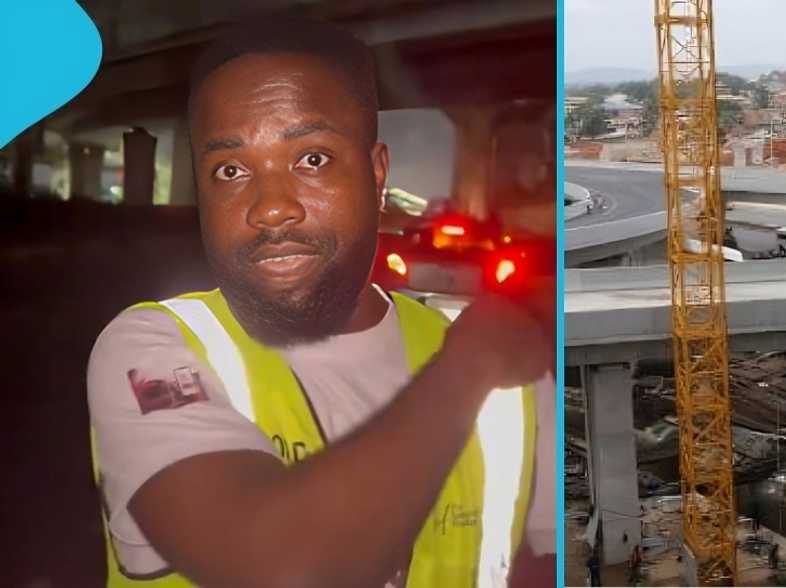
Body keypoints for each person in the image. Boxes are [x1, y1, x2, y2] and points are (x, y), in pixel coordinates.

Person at [87, 16, 554, 588]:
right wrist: (473, 363)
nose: (271, 208)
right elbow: (278, 569)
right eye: (231, 170)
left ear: (378, 175)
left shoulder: (514, 381)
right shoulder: (153, 347)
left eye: (312, 159)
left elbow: (537, 559)